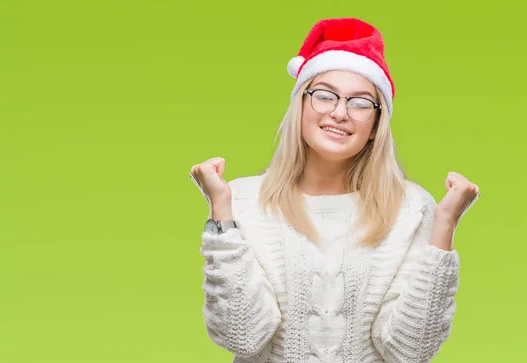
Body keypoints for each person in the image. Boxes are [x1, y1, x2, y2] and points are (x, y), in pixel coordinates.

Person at [189, 17, 480, 363]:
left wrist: (444, 224)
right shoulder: (242, 202)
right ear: (300, 106)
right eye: (324, 96)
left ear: (374, 125)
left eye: (360, 103)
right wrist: (220, 212)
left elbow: (411, 351)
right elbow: (244, 337)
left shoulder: (411, 207)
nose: (340, 112)